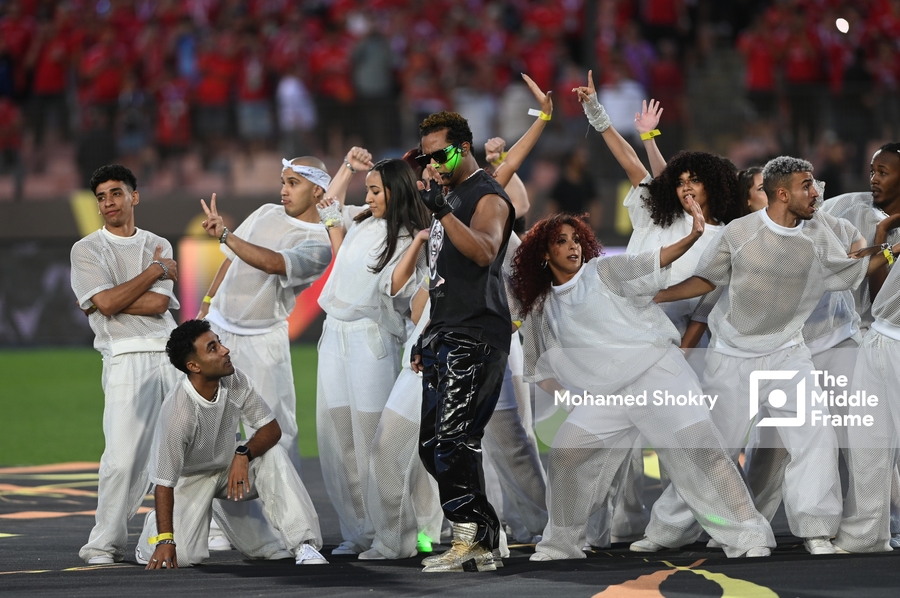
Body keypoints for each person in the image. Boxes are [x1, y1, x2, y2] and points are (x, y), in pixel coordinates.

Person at [647, 156, 898, 555]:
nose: (816, 193)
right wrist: (654, 294)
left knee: (816, 441)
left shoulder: (818, 235)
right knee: (715, 450)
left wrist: (890, 250)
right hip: (731, 358)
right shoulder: (739, 233)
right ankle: (667, 531)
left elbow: (845, 273)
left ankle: (815, 530)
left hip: (788, 355)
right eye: (807, 186)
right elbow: (704, 281)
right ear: (783, 194)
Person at [510, 211, 775, 560]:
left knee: (702, 451)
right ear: (544, 254)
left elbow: (656, 259)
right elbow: (536, 367)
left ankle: (749, 535)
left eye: (576, 239)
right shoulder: (540, 307)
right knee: (566, 452)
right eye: (561, 241)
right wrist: (566, 398)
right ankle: (562, 543)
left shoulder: (604, 271)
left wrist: (692, 237)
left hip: (657, 373)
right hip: (607, 395)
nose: (572, 246)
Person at [197, 150, 372, 474]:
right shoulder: (265, 211)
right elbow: (230, 260)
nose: (284, 190)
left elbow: (273, 262)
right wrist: (206, 306)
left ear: (318, 191)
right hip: (217, 329)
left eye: (293, 183)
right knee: (211, 431)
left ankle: (286, 524)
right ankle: (227, 523)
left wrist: (226, 235)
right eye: (283, 182)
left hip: (263, 342)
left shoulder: (319, 243)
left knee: (274, 432)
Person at [411, 109, 516, 573]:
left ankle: (471, 538)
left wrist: (441, 209)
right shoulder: (451, 197)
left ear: (465, 147)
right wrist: (426, 333)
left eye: (441, 154)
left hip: (476, 331)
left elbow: (484, 251)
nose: (433, 163)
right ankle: (484, 535)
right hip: (446, 330)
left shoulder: (486, 195)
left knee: (453, 440)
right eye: (426, 157)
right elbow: (442, 277)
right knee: (433, 444)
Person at [135, 320, 327, 568]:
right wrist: (165, 540)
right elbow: (163, 484)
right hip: (190, 479)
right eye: (212, 348)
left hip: (229, 468)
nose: (225, 350)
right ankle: (151, 534)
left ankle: (305, 545)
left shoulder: (234, 379)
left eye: (220, 343)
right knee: (182, 558)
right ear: (193, 366)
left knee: (274, 454)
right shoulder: (178, 413)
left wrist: (244, 453)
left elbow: (271, 429)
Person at [315, 155, 431, 557]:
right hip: (333, 334)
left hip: (371, 338)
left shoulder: (409, 236)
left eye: (375, 190)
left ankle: (394, 534)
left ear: (395, 191)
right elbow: (330, 215)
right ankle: (359, 531)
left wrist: (416, 244)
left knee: (373, 442)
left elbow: (396, 289)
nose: (368, 197)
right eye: (367, 189)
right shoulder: (363, 222)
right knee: (339, 436)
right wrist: (346, 171)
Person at [71, 164, 179, 565]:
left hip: (171, 353)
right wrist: (152, 272)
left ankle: (200, 530)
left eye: (116, 193)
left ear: (134, 196)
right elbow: (106, 304)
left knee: (189, 450)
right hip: (124, 356)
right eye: (101, 197)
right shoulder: (85, 249)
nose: (108, 203)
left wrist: (111, 299)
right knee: (121, 458)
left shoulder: (159, 241)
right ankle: (104, 543)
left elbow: (158, 304)